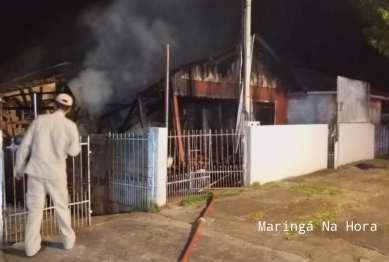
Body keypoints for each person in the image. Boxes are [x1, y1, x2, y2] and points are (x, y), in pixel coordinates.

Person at [14, 93, 80, 257]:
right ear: (69, 109)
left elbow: (25, 145)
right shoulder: (70, 126)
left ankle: (31, 247)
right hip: (56, 173)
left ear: (54, 105)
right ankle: (67, 240)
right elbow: (74, 151)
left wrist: (19, 167)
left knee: (35, 209)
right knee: (61, 206)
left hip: (36, 171)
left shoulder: (40, 121)